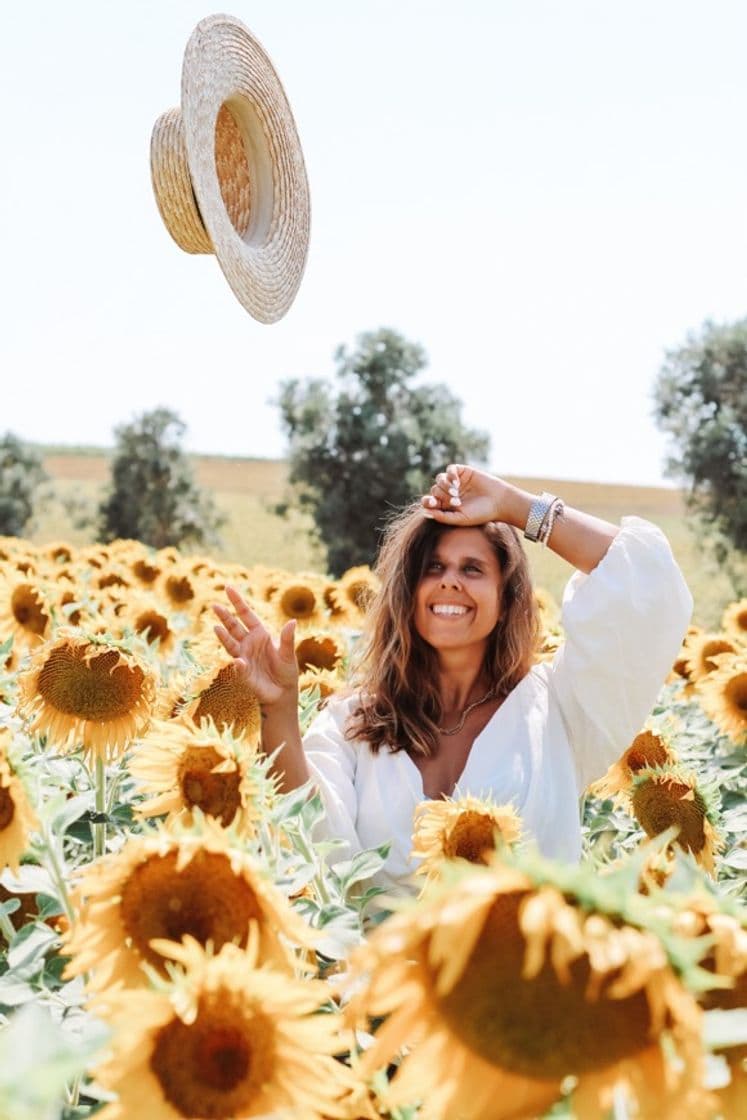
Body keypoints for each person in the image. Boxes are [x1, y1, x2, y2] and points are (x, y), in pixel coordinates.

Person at [212, 465, 693, 899]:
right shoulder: (354, 720)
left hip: (521, 989)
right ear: (408, 591)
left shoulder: (560, 710)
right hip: (381, 988)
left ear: (507, 597)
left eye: (473, 569)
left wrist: (515, 506)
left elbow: (645, 581)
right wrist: (278, 708)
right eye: (433, 568)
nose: (449, 582)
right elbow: (312, 843)